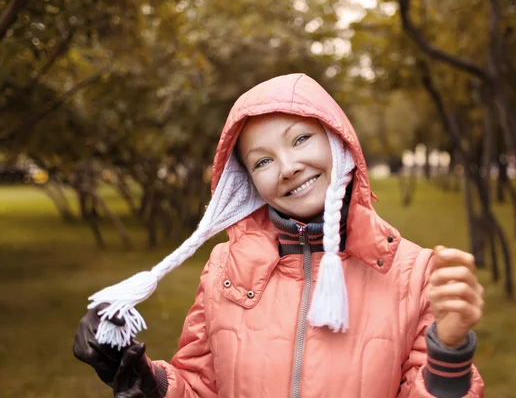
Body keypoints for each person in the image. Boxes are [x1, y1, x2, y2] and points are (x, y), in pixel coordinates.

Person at [74, 73, 485, 398]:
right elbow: (200, 385)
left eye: (301, 138)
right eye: (263, 160)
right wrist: (152, 383)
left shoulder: (414, 273)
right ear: (248, 181)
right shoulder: (224, 268)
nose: (288, 167)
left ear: (338, 142)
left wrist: (448, 352)